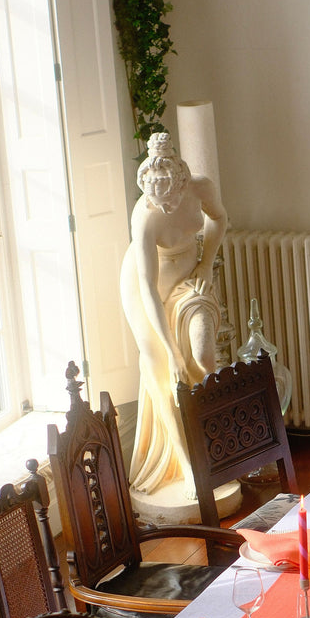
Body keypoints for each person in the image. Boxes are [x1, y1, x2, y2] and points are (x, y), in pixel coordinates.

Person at [119, 131, 227, 498]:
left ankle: (213, 446)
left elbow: (219, 219)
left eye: (169, 197)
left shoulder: (200, 189)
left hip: (189, 277)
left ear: (181, 182)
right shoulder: (145, 218)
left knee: (204, 357)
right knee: (162, 370)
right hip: (146, 287)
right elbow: (147, 286)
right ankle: (188, 463)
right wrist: (170, 350)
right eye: (155, 198)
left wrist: (207, 265)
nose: (163, 206)